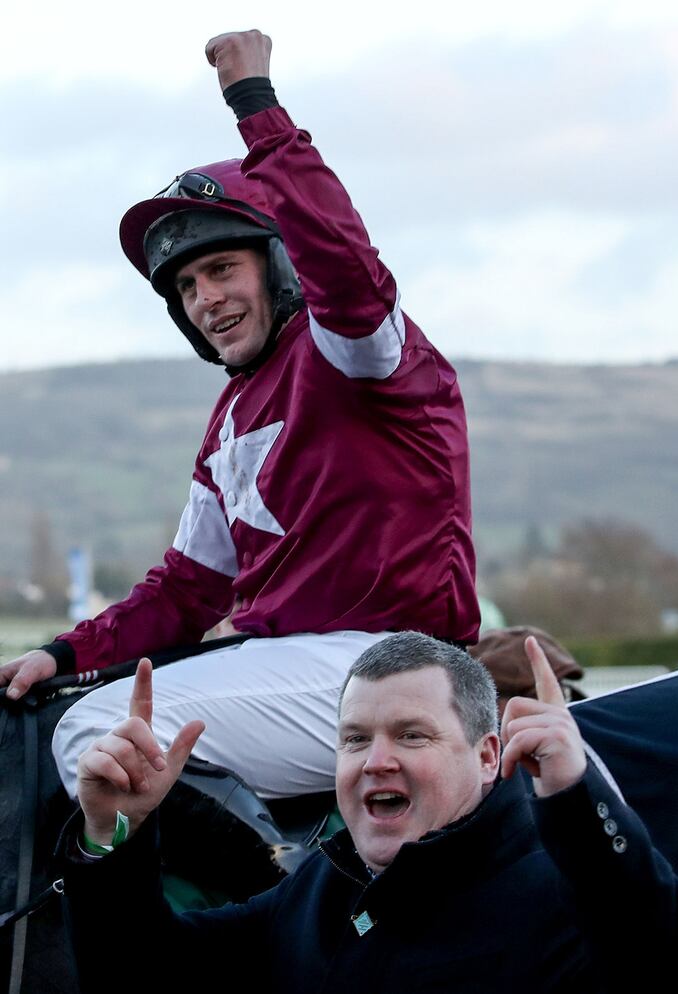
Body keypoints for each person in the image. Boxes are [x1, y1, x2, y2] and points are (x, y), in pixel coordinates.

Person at [0, 30, 478, 799]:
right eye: (187, 287)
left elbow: (347, 267)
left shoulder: (349, 350)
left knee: (100, 732)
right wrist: (60, 653)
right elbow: (185, 594)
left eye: (222, 268)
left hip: (397, 665)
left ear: (281, 264)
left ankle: (273, 900)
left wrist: (255, 105)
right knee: (56, 710)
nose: (206, 299)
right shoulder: (229, 422)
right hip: (296, 667)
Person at [61, 632, 678, 993]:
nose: (374, 760)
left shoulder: (559, 893)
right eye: (355, 739)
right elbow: (143, 976)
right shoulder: (319, 895)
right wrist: (112, 832)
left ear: (486, 754)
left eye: (411, 735)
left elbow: (676, 970)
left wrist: (579, 801)